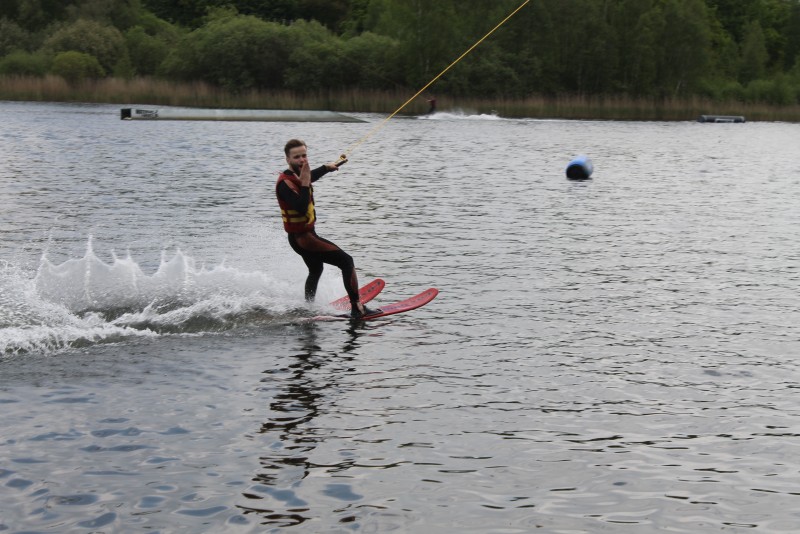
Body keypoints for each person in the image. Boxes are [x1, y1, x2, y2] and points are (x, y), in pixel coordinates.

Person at [275, 139, 374, 318]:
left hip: (305, 237)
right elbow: (300, 206)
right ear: (287, 159)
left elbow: (309, 177)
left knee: (316, 269)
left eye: (304, 155)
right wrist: (305, 182)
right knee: (346, 261)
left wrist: (327, 168)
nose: (302, 160)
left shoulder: (299, 175)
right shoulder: (284, 183)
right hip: (303, 239)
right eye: (297, 157)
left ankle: (308, 308)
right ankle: (357, 309)